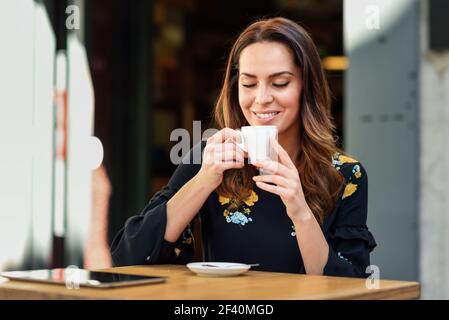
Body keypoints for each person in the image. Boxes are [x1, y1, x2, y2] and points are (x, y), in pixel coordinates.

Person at [110, 17, 376, 277]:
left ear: (307, 87)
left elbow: (350, 285)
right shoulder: (212, 158)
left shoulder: (344, 174)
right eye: (248, 83)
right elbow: (127, 258)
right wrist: (204, 180)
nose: (261, 98)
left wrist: (300, 212)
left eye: (280, 83)